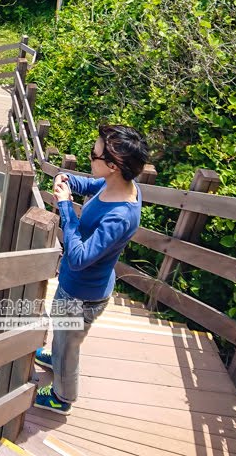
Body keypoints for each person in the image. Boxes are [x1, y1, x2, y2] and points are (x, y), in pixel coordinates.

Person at [33, 124, 149, 415]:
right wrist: (66, 179)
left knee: (69, 348)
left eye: (93, 154)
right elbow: (90, 185)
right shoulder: (118, 186)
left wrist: (66, 209)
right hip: (80, 287)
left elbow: (79, 257)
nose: (90, 157)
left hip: (81, 296)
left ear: (112, 166)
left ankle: (62, 397)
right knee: (63, 336)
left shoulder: (120, 216)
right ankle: (55, 355)